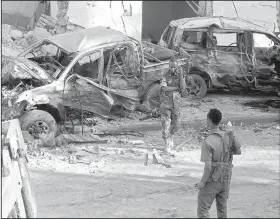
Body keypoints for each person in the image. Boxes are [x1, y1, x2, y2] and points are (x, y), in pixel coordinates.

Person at [195, 108, 242, 218]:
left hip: (213, 179)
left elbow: (208, 167)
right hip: (226, 178)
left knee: (203, 210)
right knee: (222, 209)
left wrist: (202, 182)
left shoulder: (208, 141)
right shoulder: (228, 135)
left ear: (209, 121)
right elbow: (238, 150)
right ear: (220, 120)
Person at [156, 56, 190, 155]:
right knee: (165, 125)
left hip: (176, 105)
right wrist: (175, 88)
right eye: (171, 67)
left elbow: (183, 89)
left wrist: (181, 77)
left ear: (177, 66)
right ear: (169, 66)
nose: (172, 69)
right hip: (166, 105)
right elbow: (164, 88)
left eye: (174, 67)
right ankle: (166, 145)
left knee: (176, 126)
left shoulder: (180, 76)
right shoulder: (165, 75)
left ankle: (171, 138)